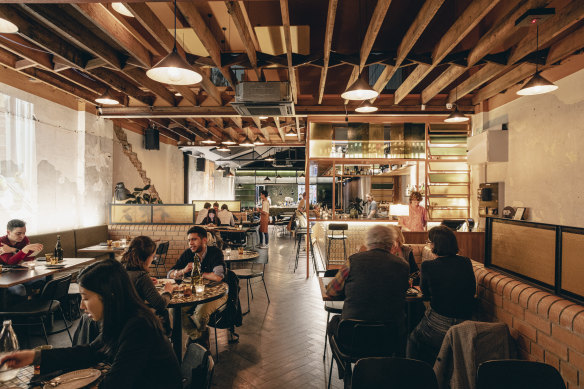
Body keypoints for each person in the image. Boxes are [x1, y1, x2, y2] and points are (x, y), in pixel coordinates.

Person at [0, 259, 182, 389]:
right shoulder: (123, 318)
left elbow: (115, 384)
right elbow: (91, 351)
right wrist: (33, 356)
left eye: (85, 297)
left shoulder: (139, 326)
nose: (80, 305)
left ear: (110, 296)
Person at [326, 225, 409, 362]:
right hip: (389, 338)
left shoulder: (353, 261)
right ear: (391, 243)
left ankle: (347, 373)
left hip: (353, 337)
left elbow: (332, 290)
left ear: (368, 242)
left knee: (333, 323)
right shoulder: (403, 265)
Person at [406, 226, 477, 366]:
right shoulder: (466, 262)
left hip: (441, 323)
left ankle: (412, 374)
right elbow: (472, 289)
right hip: (466, 323)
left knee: (412, 338)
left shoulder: (428, 266)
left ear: (434, 245)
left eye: (429, 242)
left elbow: (425, 296)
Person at [167, 226, 227, 346]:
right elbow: (170, 274)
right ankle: (199, 337)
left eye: (194, 239)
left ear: (204, 240)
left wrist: (199, 272)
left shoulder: (215, 252)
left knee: (200, 315)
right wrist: (183, 271)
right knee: (173, 309)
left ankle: (197, 341)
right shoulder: (188, 254)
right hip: (194, 293)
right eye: (189, 240)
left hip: (217, 293)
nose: (190, 244)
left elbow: (218, 276)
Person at [122, 236, 174, 335]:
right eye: (153, 256)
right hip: (135, 323)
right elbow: (160, 304)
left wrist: (146, 282)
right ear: (146, 257)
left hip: (120, 320)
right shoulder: (141, 276)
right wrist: (168, 291)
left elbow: (131, 282)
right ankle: (164, 342)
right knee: (164, 313)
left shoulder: (121, 269)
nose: (153, 259)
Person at [0, 219, 44, 301]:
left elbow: (29, 258)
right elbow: (10, 262)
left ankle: (38, 307)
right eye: (18, 233)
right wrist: (24, 250)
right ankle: (21, 312)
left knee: (43, 278)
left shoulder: (24, 240)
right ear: (8, 232)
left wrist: (14, 250)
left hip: (18, 273)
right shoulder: (1, 242)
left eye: (24, 233)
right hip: (4, 277)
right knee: (20, 289)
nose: (22, 236)